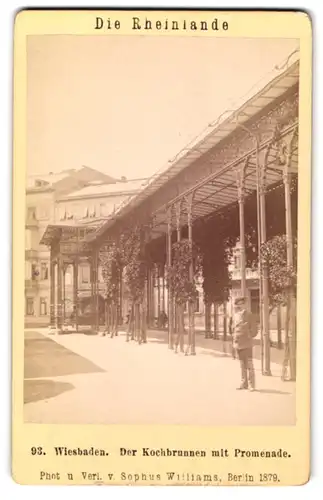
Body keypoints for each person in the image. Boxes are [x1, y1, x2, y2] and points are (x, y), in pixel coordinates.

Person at [232, 296, 256, 391]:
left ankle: (251, 384)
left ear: (244, 304)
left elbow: (254, 329)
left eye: (241, 304)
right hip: (238, 343)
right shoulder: (235, 315)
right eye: (238, 305)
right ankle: (243, 383)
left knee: (249, 364)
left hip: (247, 343)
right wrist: (234, 339)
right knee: (242, 364)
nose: (240, 306)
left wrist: (249, 335)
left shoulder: (249, 315)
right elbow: (232, 328)